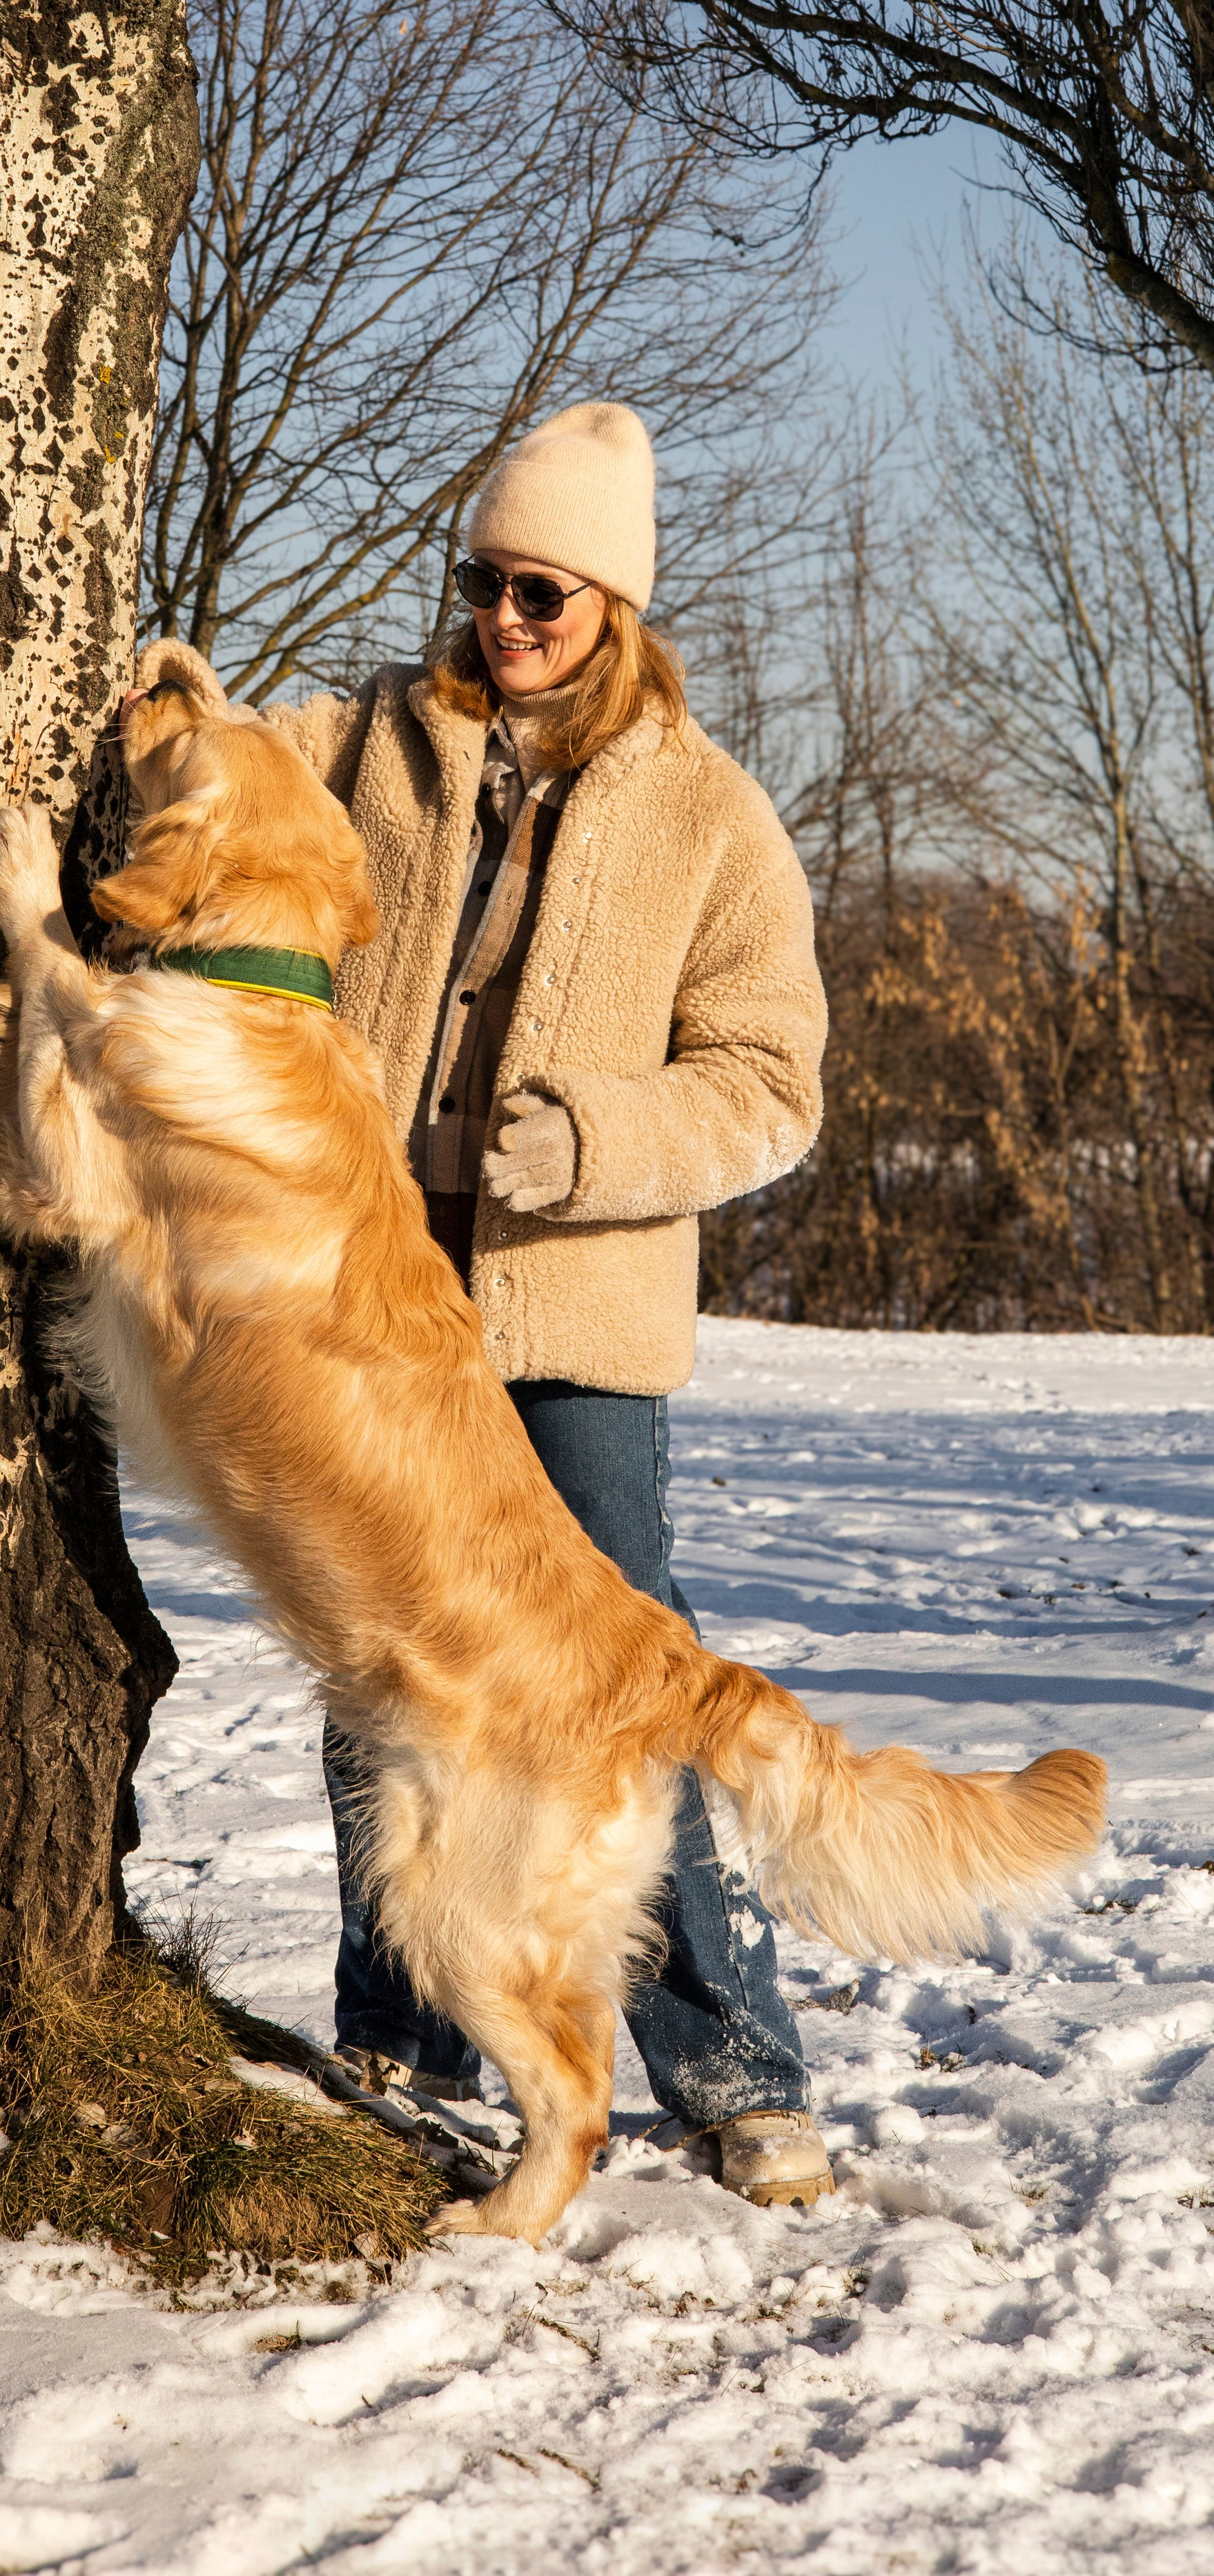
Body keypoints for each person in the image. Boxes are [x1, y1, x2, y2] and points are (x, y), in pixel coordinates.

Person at [138, 402, 832, 2207]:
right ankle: (409, 2033)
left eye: (542, 590)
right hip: (372, 1293)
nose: (504, 618)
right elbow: (210, 771)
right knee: (385, 1669)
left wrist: (596, 1137)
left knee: (615, 1702)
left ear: (613, 603)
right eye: (484, 581)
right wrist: (175, 692)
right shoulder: (368, 733)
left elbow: (773, 1079)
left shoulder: (710, 812)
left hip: (576, 1329)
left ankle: (736, 2072)